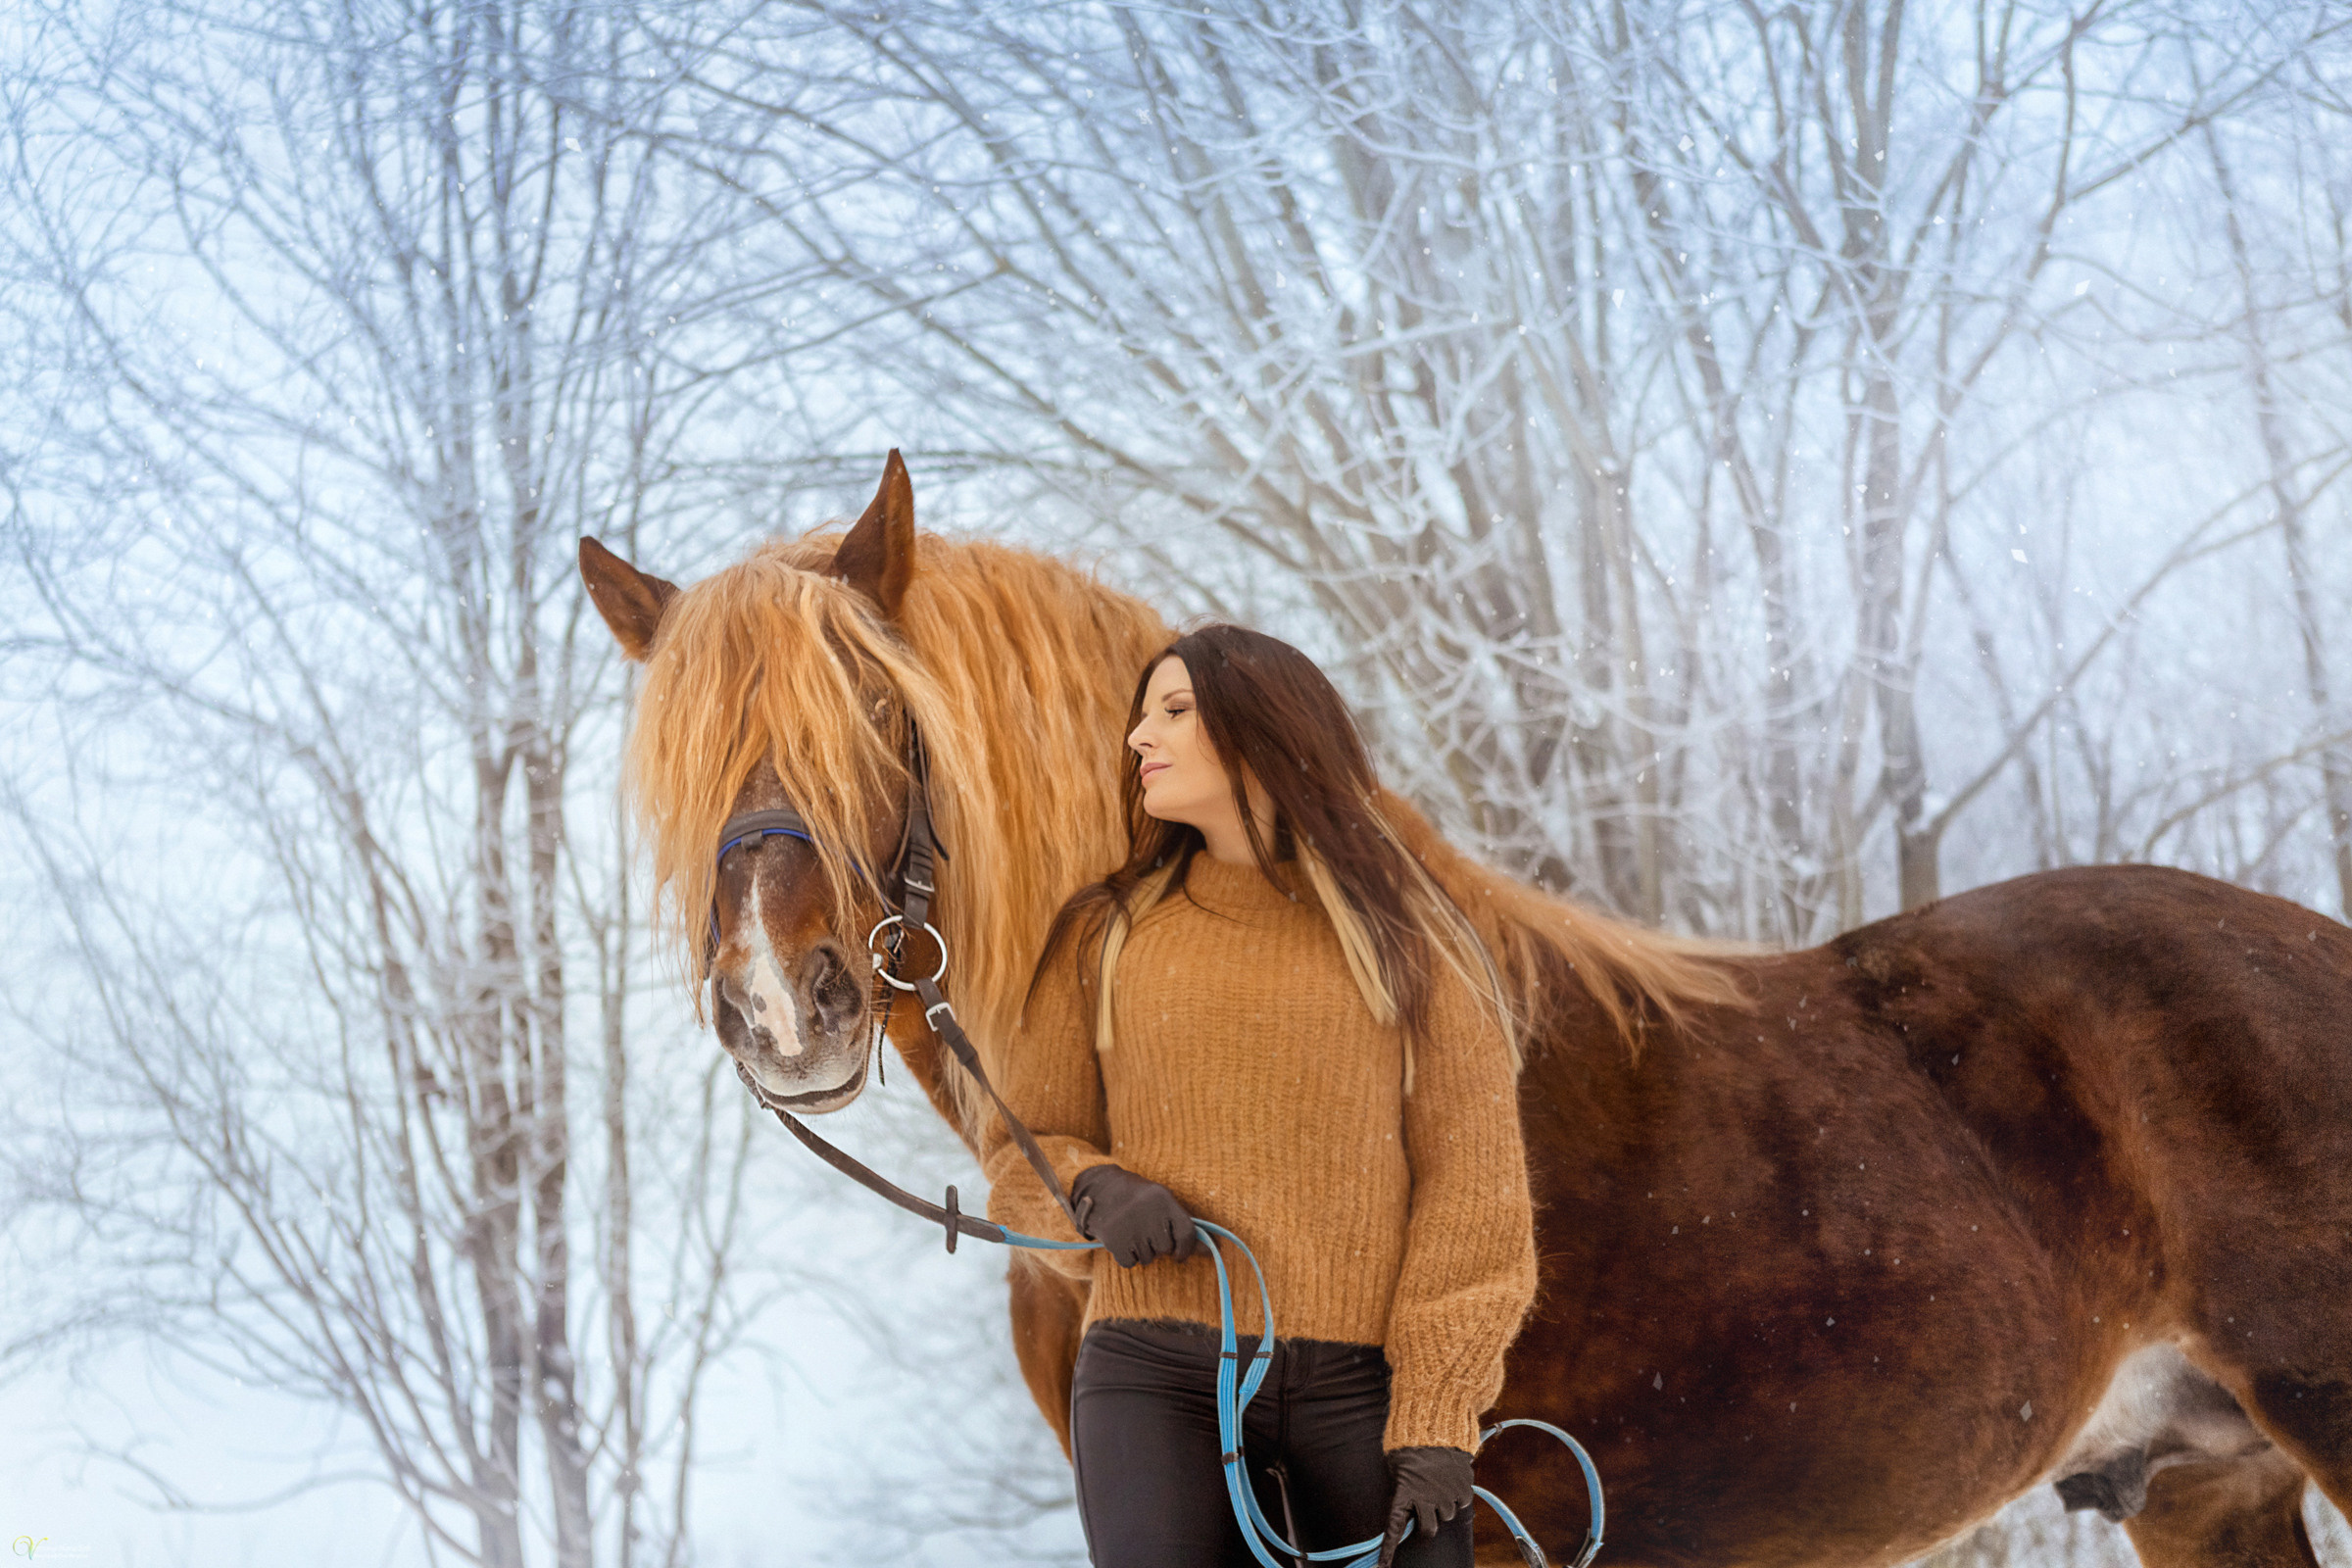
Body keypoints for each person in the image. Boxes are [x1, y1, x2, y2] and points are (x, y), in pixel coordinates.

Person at [982, 624, 1537, 1568]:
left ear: (1264, 727)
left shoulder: (1411, 941)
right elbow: (1022, 1146)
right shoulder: (1104, 934)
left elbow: (1472, 1196)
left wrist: (1440, 1415)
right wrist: (1090, 1188)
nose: (1139, 738)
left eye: (1175, 710)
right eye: (1142, 714)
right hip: (1153, 1371)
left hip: (1363, 1386)